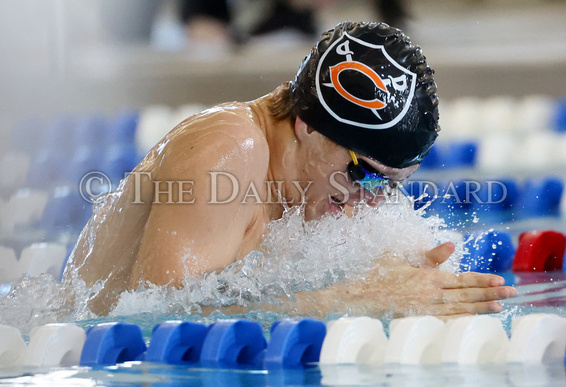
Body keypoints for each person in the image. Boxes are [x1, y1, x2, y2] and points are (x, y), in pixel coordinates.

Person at [64, 21, 516, 317]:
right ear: (307, 125)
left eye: (390, 186)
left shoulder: (312, 184)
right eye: (367, 174)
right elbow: (154, 319)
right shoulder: (229, 151)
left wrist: (394, 278)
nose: (371, 201)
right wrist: (355, 300)